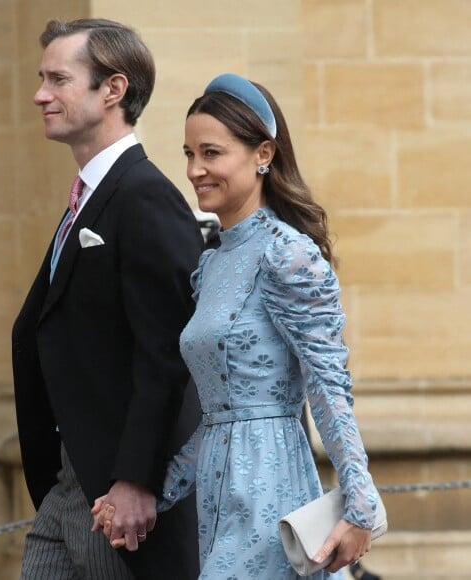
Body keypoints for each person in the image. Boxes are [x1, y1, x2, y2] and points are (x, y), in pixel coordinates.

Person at [93, 73, 382, 579]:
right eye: (188, 154)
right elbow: (217, 420)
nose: (195, 170)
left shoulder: (288, 253)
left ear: (263, 154)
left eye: (211, 153)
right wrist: (150, 493)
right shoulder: (211, 265)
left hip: (274, 492)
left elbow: (328, 383)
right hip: (219, 498)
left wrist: (361, 507)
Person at [11, 17, 203, 580]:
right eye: (41, 78)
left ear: (113, 90)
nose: (40, 94)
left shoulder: (143, 196)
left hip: (119, 496)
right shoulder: (89, 198)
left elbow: (168, 352)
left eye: (58, 79)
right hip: (67, 487)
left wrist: (137, 478)